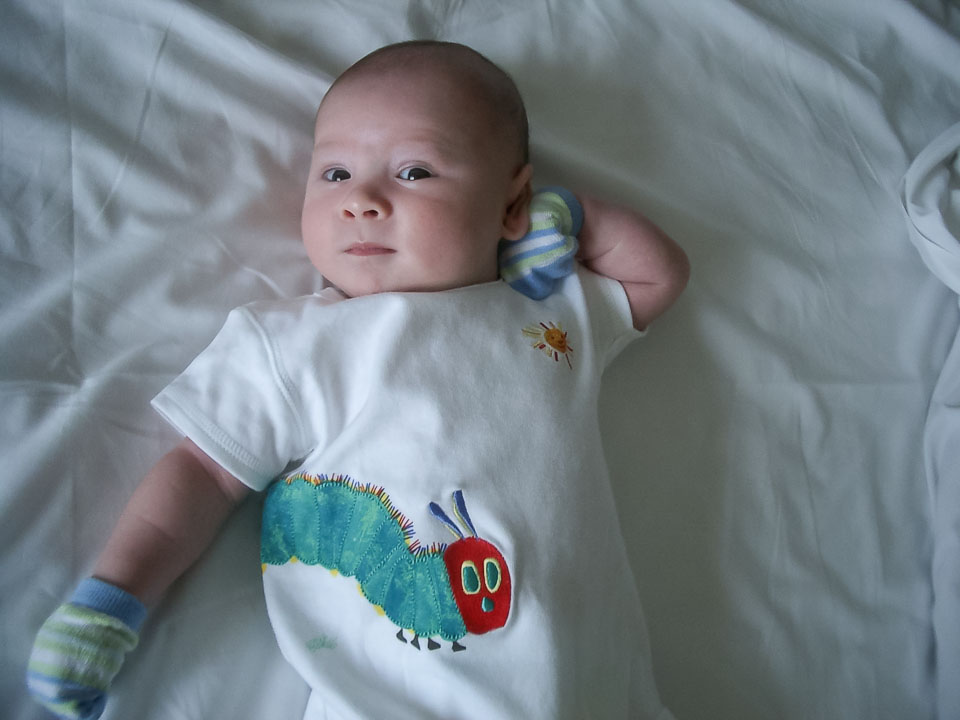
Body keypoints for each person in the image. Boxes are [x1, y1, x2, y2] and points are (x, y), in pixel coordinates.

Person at [27, 41, 689, 720]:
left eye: (414, 171)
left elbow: (657, 276)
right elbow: (202, 473)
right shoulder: (291, 344)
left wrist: (569, 214)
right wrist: (111, 602)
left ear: (511, 201)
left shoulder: (549, 312)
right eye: (336, 172)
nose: (363, 200)